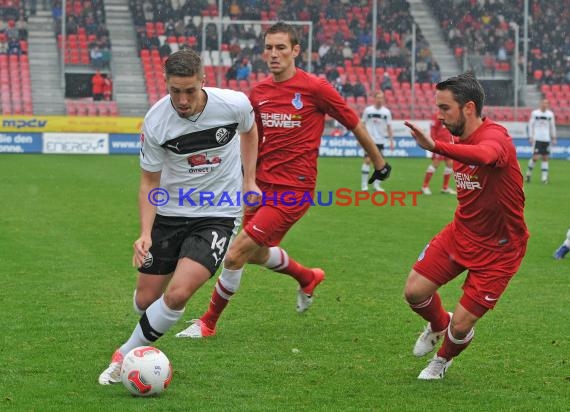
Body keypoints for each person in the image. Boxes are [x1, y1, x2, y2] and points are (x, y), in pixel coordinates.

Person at [175, 22, 391, 339]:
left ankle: (207, 323)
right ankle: (307, 277)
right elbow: (248, 137)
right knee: (258, 253)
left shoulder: (315, 88)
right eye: (269, 48)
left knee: (235, 253)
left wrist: (379, 162)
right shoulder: (259, 93)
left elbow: (354, 123)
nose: (273, 54)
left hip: (294, 190)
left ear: (296, 50)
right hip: (260, 187)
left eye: (280, 48)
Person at [98, 48, 259, 385]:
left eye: (189, 90)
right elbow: (148, 182)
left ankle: (123, 355)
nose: (182, 100)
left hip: (218, 212)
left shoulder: (233, 104)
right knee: (146, 299)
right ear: (165, 83)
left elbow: (249, 130)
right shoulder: (156, 122)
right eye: (175, 91)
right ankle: (149, 327)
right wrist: (145, 233)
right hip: (170, 212)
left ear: (203, 81)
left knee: (178, 293)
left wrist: (248, 180)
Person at [403, 72, 529, 380]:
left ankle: (442, 361)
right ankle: (436, 325)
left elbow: (486, 155)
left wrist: (437, 147)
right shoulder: (458, 141)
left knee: (461, 325)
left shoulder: (495, 137)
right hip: (461, 234)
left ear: (468, 108)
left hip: (501, 249)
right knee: (414, 292)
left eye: (445, 108)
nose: (440, 115)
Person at [360, 90, 393, 192]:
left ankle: (376, 185)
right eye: (378, 97)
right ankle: (364, 185)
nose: (380, 99)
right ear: (374, 99)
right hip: (369, 140)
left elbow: (389, 127)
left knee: (380, 164)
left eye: (381, 97)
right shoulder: (368, 110)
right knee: (367, 161)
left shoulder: (386, 112)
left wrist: (391, 140)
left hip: (381, 141)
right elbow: (362, 124)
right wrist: (361, 137)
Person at [421, 113, 456, 195]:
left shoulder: (451, 114)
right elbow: (433, 129)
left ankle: (445, 187)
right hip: (439, 143)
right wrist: (433, 142)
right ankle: (424, 186)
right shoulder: (438, 115)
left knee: (449, 164)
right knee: (435, 164)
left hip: (449, 143)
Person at [525, 99, 557, 184]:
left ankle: (544, 178)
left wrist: (553, 137)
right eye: (543, 103)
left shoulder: (550, 114)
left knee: (545, 158)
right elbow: (530, 125)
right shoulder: (535, 113)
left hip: (546, 139)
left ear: (548, 105)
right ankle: (528, 173)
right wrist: (531, 137)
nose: (545, 104)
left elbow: (552, 126)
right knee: (535, 158)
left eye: (546, 103)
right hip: (537, 138)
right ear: (540, 104)